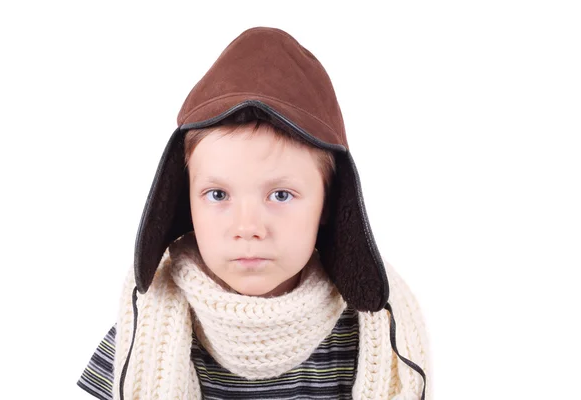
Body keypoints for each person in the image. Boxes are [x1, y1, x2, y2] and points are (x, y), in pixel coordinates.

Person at [77, 26, 432, 400]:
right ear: (186, 203)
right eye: (218, 194)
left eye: (280, 195)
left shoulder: (367, 334)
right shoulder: (149, 323)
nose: (248, 227)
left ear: (328, 204)